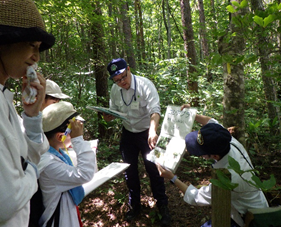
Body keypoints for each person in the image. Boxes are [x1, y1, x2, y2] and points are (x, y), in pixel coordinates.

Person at [156, 105, 269, 227]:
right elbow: (211, 122)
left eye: (201, 154)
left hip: (250, 219)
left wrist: (172, 178)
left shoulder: (228, 178)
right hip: (251, 204)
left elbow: (196, 197)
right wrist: (191, 115)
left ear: (214, 156)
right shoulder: (226, 140)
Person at [0, 0, 55, 226]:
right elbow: (7, 201)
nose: (37, 56)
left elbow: (25, 157)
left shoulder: (5, 97)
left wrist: (32, 117)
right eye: (31, 44)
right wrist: (33, 171)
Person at [104, 58, 171, 226]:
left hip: (147, 132)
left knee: (154, 170)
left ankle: (163, 206)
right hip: (128, 134)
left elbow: (155, 110)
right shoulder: (115, 89)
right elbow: (115, 111)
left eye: (123, 77)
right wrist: (110, 116)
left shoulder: (144, 85)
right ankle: (134, 205)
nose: (121, 82)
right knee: (130, 171)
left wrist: (152, 130)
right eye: (116, 80)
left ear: (128, 69)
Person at [38, 101, 96, 226]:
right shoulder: (48, 163)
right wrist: (78, 140)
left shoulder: (55, 154)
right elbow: (85, 174)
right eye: (74, 132)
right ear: (61, 137)